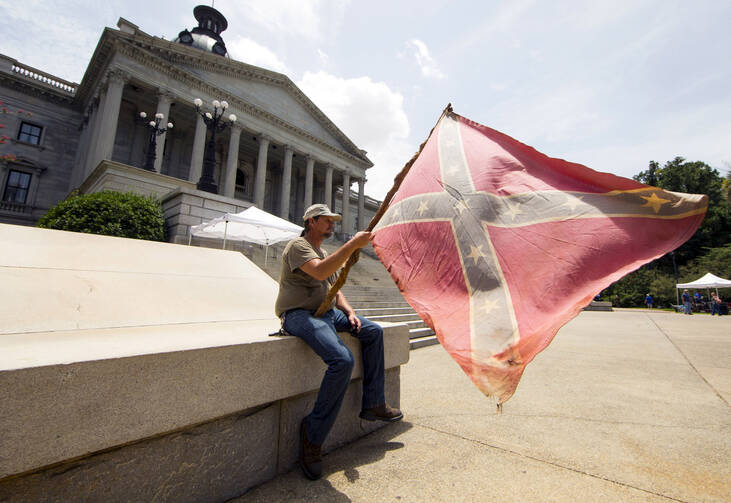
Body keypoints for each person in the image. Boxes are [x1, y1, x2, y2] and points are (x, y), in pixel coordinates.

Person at [275, 204, 403, 481]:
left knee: (372, 331)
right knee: (342, 360)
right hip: (299, 314)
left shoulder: (322, 251)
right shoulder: (298, 246)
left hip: (329, 312)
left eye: (334, 220)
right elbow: (321, 272)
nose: (332, 223)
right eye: (327, 220)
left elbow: (335, 286)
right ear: (311, 221)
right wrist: (353, 244)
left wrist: (350, 311)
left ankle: (373, 403)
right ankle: (313, 434)